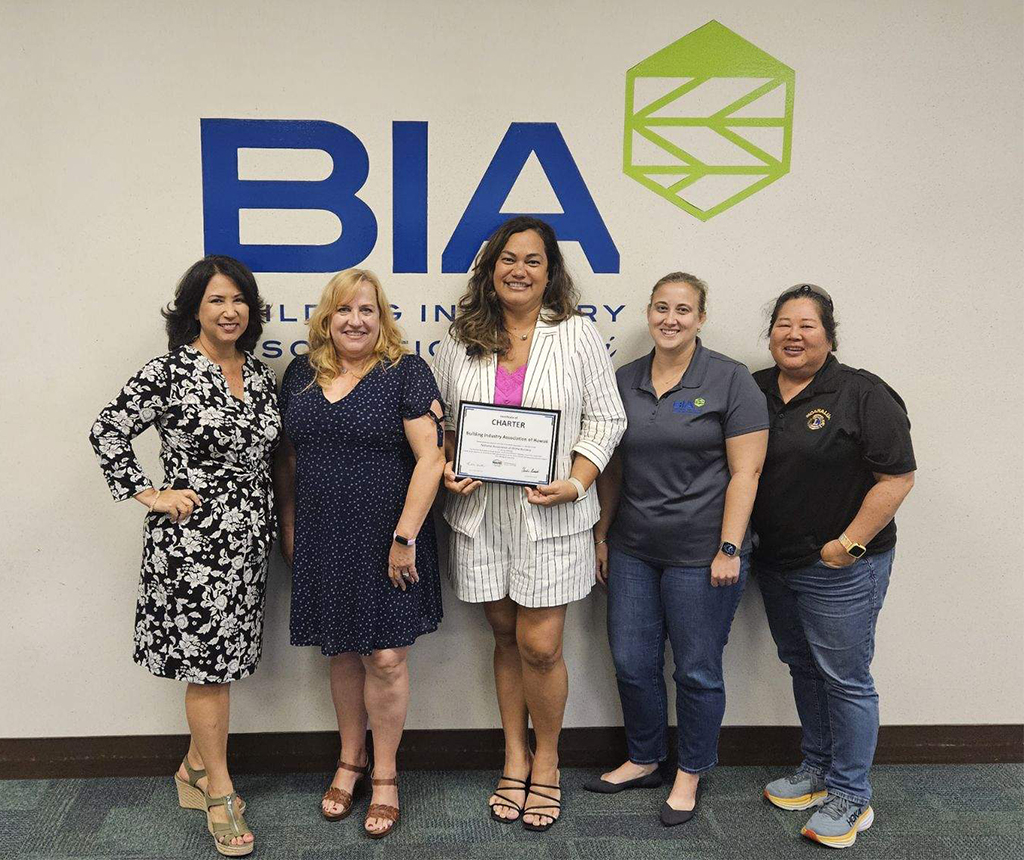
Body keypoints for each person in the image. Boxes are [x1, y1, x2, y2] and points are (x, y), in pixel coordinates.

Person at [431, 215, 626, 831]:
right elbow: (443, 424)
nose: (519, 270)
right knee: (505, 637)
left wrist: (577, 480)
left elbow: (606, 420)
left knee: (541, 646)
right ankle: (513, 757)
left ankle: (548, 762)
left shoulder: (578, 337)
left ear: (551, 273)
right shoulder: (461, 338)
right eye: (508, 259)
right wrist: (448, 466)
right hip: (482, 512)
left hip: (553, 510)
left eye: (533, 261)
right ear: (491, 268)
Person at [89, 255, 280, 856]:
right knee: (208, 671)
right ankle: (219, 791)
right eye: (217, 300)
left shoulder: (258, 373)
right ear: (193, 308)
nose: (230, 311)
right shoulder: (170, 371)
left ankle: (195, 767)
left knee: (225, 664)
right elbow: (107, 430)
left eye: (239, 300)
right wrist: (149, 492)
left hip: (247, 543)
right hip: (192, 548)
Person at [586, 272, 769, 826]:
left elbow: (747, 472)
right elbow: (612, 465)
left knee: (695, 670)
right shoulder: (624, 379)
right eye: (661, 307)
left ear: (701, 318)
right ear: (648, 312)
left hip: (702, 552)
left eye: (683, 310)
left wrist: (730, 548)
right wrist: (602, 534)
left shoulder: (731, 380)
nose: (671, 318)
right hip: (634, 549)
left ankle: (690, 770)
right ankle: (645, 757)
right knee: (632, 662)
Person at [274, 268, 445, 839]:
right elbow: (289, 460)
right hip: (322, 536)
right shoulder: (300, 373)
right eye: (344, 310)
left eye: (367, 311)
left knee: (387, 658)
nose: (355, 320)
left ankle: (388, 774)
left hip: (388, 538)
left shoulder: (405, 372)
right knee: (342, 653)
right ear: (327, 317)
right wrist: (290, 527)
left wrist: (405, 538)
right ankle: (350, 761)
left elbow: (430, 459)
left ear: (382, 317)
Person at [751, 284, 916, 849]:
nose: (793, 335)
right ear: (770, 331)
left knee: (846, 679)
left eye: (807, 325)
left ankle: (852, 794)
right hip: (775, 562)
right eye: (783, 324)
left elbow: (897, 479)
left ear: (828, 334)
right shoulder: (754, 390)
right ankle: (817, 770)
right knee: (803, 666)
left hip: (841, 568)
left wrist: (846, 545)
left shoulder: (861, 394)